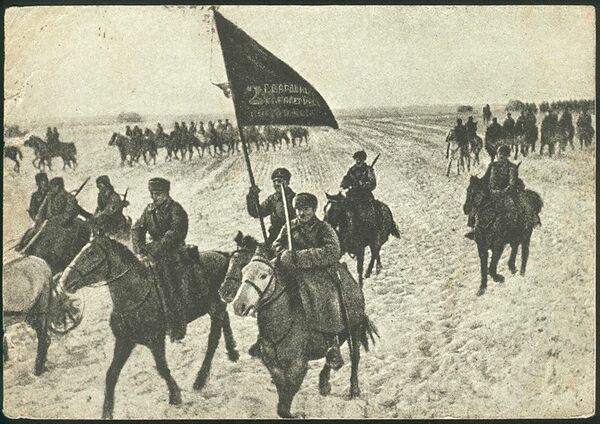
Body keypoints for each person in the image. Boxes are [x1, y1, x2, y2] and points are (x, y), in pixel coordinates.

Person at [273, 192, 345, 370]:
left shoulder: (324, 228)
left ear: (314, 210)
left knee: (325, 296)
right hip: (294, 272)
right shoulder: (289, 226)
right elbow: (276, 245)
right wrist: (283, 253)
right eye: (298, 209)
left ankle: (332, 342)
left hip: (318, 272)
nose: (301, 213)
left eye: (306, 209)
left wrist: (301, 257)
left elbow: (332, 251)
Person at [132, 178, 190, 342]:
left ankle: (176, 328)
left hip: (174, 253)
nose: (153, 197)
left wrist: (154, 252)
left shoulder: (176, 209)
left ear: (166, 193)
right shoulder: (149, 210)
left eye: (157, 194)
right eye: (152, 194)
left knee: (169, 287)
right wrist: (140, 250)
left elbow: (174, 234)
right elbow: (137, 228)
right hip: (154, 252)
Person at [465, 145, 519, 240]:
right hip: (491, 192)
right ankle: (473, 228)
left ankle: (512, 231)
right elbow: (485, 179)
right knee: (476, 202)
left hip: (505, 194)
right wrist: (477, 181)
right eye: (499, 154)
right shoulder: (492, 165)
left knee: (510, 208)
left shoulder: (512, 167)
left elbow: (512, 184)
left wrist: (502, 192)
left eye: (504, 154)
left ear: (507, 156)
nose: (501, 156)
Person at [247, 168, 296, 245]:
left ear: (287, 182)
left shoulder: (295, 199)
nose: (276, 184)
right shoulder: (272, 200)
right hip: (275, 237)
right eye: (274, 182)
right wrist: (252, 197)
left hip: (292, 238)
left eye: (279, 181)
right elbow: (257, 213)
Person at [340, 150, 377, 226]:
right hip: (352, 194)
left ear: (364, 160)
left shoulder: (368, 170)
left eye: (360, 160)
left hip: (364, 195)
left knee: (368, 213)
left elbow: (373, 183)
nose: (358, 161)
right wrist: (343, 185)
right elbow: (346, 179)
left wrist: (363, 184)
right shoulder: (352, 170)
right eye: (357, 159)